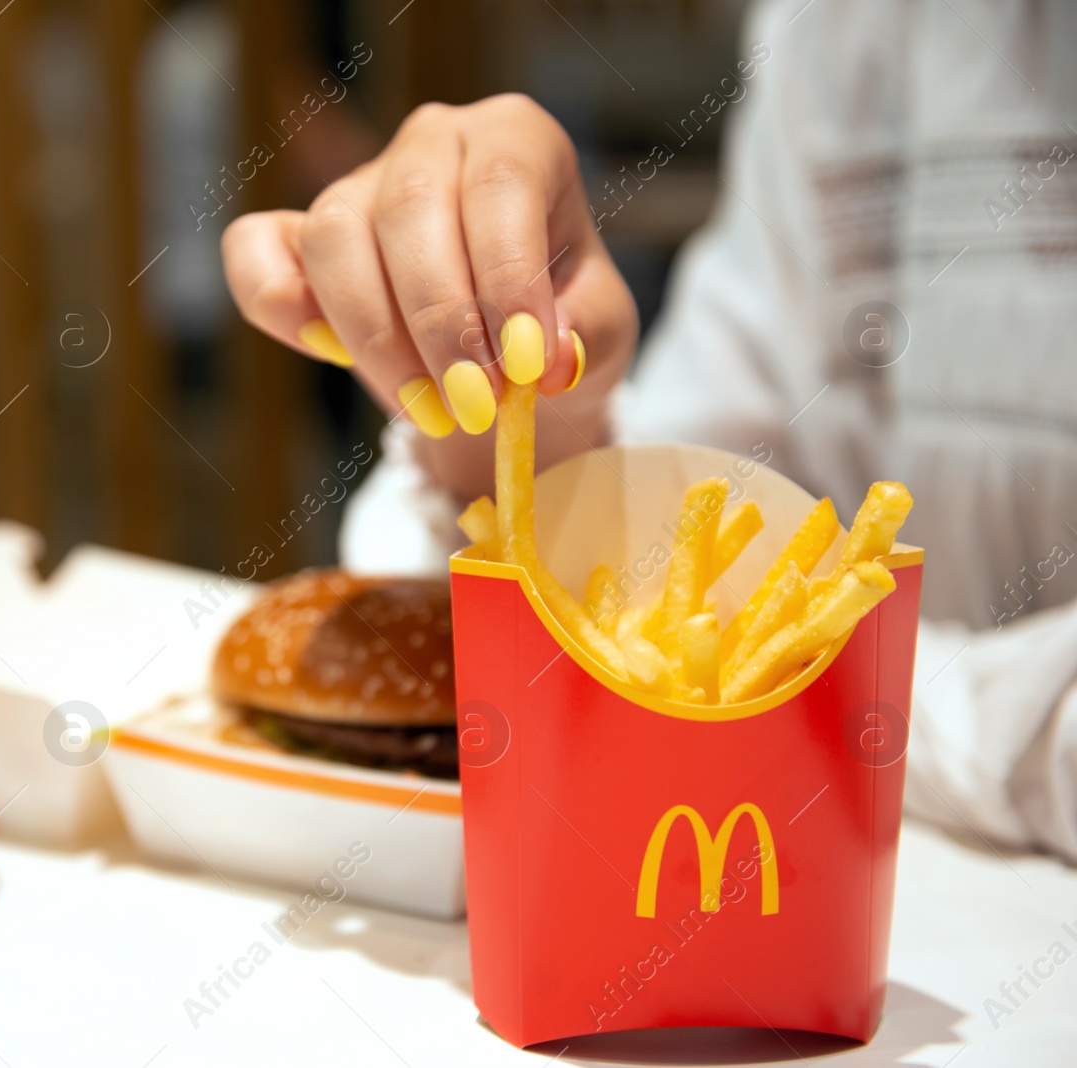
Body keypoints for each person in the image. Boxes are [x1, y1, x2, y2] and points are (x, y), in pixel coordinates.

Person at [222, 0, 1077, 861]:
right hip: (785, 868)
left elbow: (690, 646)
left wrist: (845, 700)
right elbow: (702, 523)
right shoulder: (836, 21)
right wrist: (538, 430)